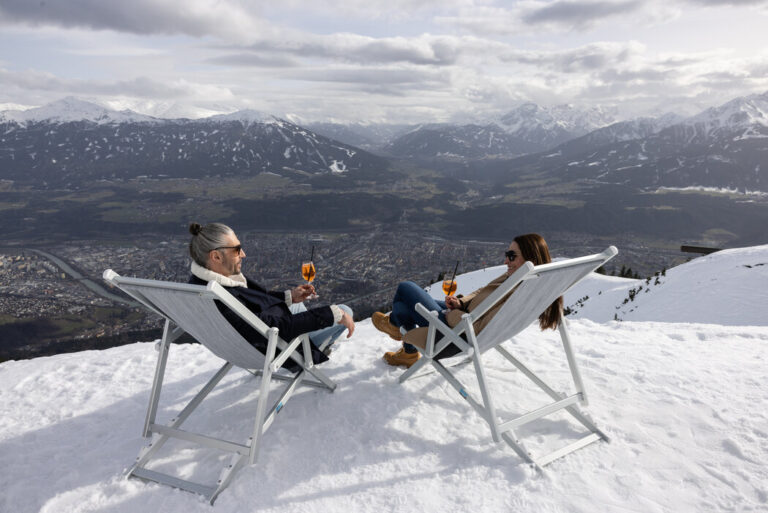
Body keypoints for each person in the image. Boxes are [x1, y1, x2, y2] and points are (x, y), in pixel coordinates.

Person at [373, 233, 562, 368]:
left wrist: (453, 313)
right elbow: (484, 292)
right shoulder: (521, 280)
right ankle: (406, 349)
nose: (506, 261)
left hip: (454, 331)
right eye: (507, 254)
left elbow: (477, 326)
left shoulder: (519, 291)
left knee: (406, 288)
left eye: (512, 256)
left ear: (531, 258)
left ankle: (394, 326)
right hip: (461, 318)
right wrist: (461, 303)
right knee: (405, 306)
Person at [188, 222, 354, 371]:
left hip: (240, 345)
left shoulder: (199, 284)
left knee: (297, 306)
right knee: (344, 311)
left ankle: (312, 334)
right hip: (273, 348)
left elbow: (254, 304)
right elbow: (275, 328)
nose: (243, 254)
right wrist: (332, 314)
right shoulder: (223, 296)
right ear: (216, 256)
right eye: (237, 250)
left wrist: (289, 296)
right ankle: (314, 349)